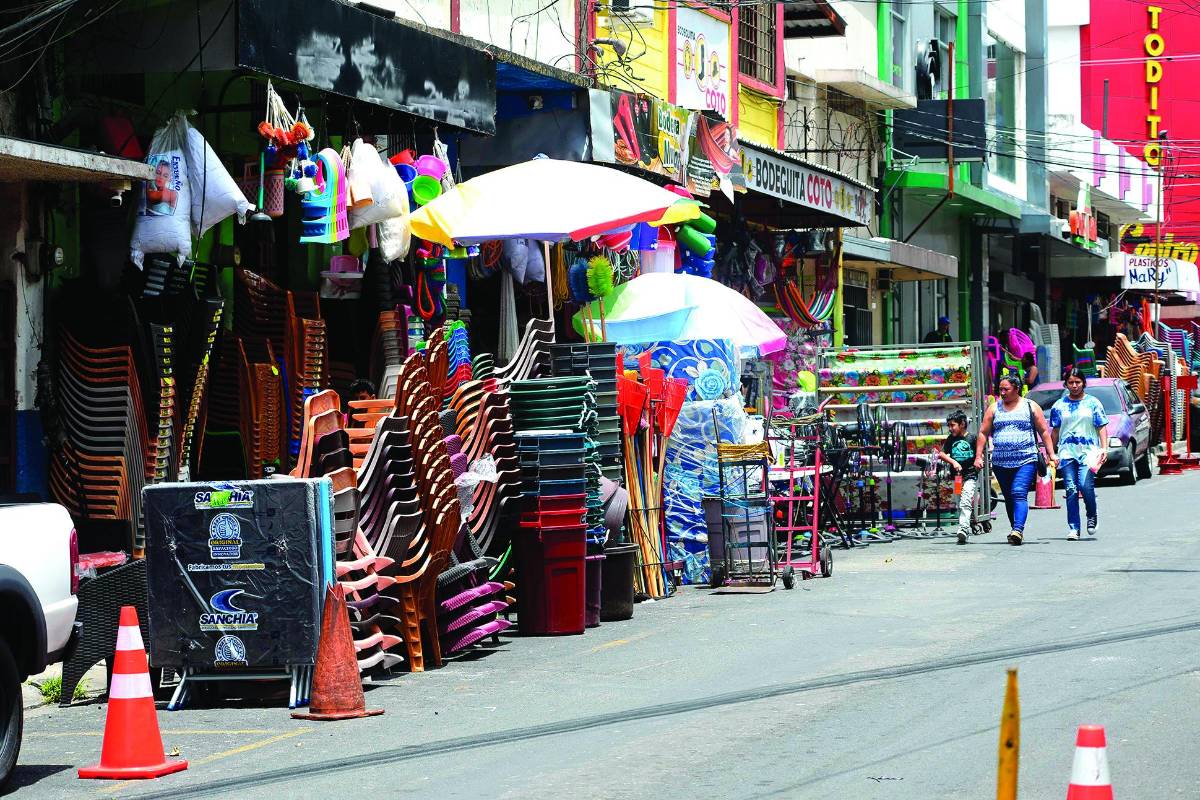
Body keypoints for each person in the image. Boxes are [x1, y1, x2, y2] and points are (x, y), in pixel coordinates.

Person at [975, 375, 1057, 546]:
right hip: (1000, 462)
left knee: (1019, 492)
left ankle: (1018, 529)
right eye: (1000, 389)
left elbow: (1043, 431)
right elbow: (983, 432)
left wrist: (1051, 454)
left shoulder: (1030, 406)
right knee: (1009, 497)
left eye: (1006, 389)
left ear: (1017, 389)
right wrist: (978, 456)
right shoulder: (994, 408)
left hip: (1026, 459)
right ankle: (1015, 529)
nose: (1002, 393)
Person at [1049, 368, 1108, 540]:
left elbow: (1102, 426)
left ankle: (1092, 514)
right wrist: (1050, 452)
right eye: (1071, 383)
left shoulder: (1093, 403)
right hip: (1067, 452)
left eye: (1078, 382)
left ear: (1083, 383)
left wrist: (1104, 448)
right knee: (1071, 489)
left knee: (1084, 485)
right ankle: (1074, 527)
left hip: (1089, 452)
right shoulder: (1059, 406)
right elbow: (1055, 431)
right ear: (1066, 384)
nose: (1074, 386)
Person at [935, 409, 978, 545]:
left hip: (970, 475)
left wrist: (979, 461)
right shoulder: (951, 439)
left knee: (965, 501)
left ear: (962, 424)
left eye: (953, 425)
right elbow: (941, 454)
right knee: (960, 502)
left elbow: (978, 454)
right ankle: (966, 525)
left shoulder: (972, 438)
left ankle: (963, 529)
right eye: (949, 425)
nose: (950, 428)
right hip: (957, 478)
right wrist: (954, 462)